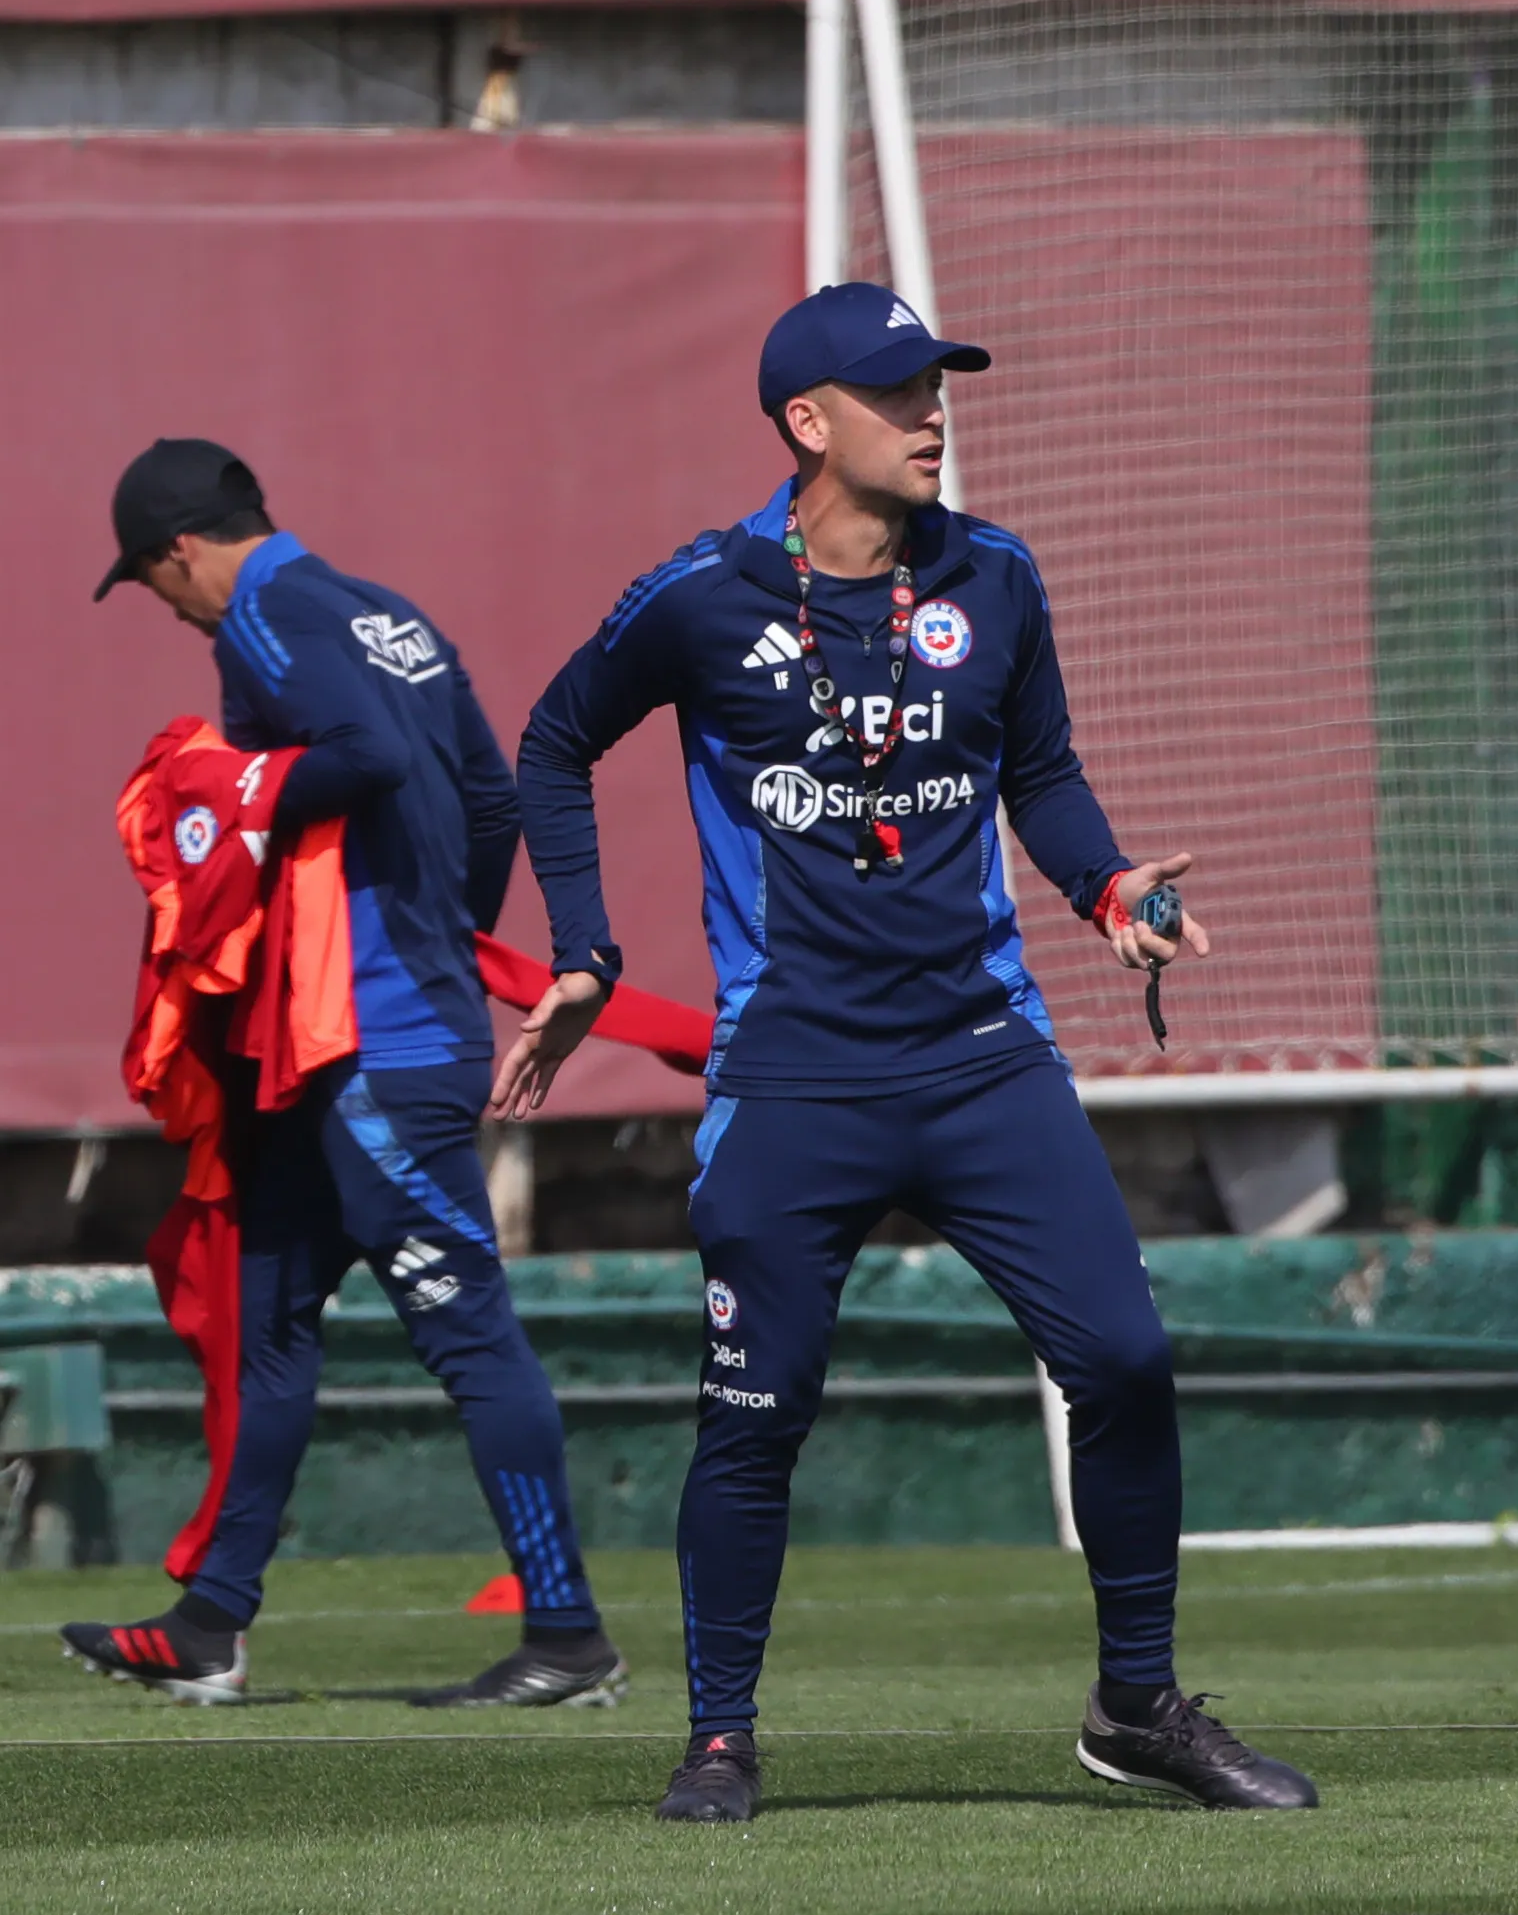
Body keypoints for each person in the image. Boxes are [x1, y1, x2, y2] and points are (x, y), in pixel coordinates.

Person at [493, 285, 1319, 1822]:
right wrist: (586, 953)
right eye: (897, 391)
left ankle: (1135, 1702)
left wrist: (1107, 884)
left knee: (1124, 1360)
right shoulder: (697, 594)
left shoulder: (994, 575)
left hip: (982, 1059)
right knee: (753, 1418)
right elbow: (550, 741)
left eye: (937, 383)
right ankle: (720, 1737)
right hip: (793, 1075)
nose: (932, 411)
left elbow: (1046, 773)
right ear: (808, 424)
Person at [70, 438, 622, 1709]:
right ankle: (209, 1627)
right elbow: (486, 799)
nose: (168, 608)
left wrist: (241, 785)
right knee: (268, 1328)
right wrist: (444, 929)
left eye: (156, 586)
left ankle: (569, 1640)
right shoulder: (389, 614)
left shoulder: (260, 616)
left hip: (376, 1051)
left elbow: (361, 754)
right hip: (346, 1045)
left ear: (180, 552)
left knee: (470, 1339)